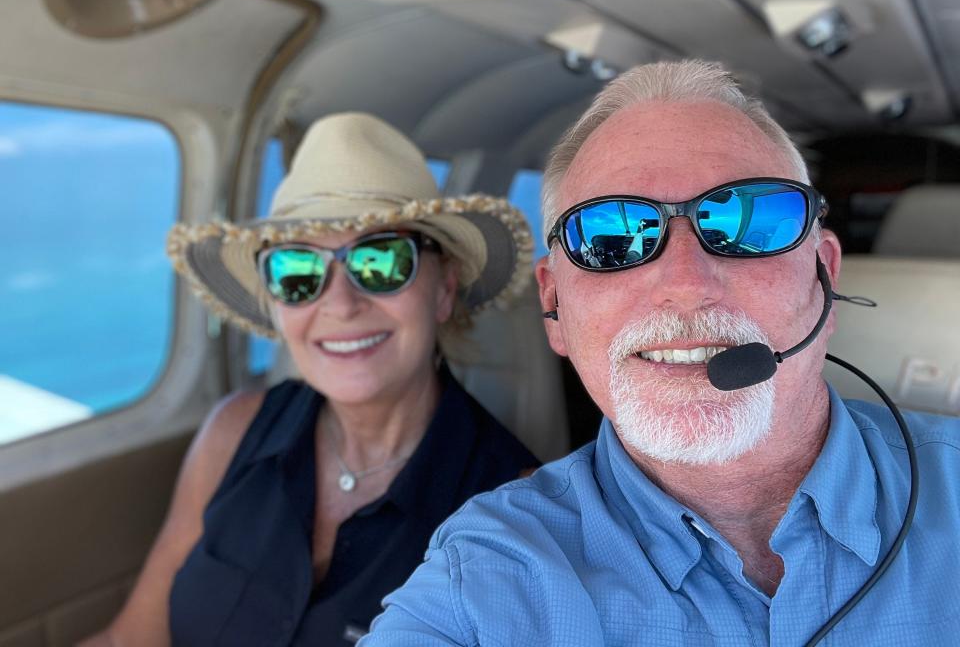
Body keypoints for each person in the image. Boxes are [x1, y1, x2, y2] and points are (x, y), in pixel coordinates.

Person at [362, 61, 960, 645]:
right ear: (554, 306)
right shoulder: (483, 580)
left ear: (822, 278)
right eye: (609, 236)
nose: (686, 283)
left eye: (750, 222)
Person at [81, 112, 539, 647]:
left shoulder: (513, 510)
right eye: (298, 270)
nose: (340, 303)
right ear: (275, 303)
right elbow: (130, 640)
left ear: (443, 288)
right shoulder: (232, 433)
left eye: (381, 261)